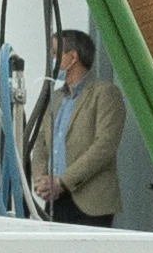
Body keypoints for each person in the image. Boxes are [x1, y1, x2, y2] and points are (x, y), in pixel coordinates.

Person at [40, 26, 122, 224]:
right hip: (55, 200)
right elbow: (41, 142)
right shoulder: (56, 97)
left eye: (54, 54)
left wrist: (63, 181)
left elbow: (105, 146)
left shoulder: (105, 93)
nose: (51, 60)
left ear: (73, 57)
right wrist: (40, 179)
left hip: (90, 202)